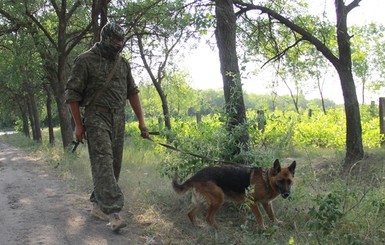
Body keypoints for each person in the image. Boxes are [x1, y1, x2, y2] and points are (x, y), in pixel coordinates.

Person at [65, 22, 149, 232]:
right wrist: (78, 125)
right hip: (95, 118)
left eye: (121, 41)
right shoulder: (84, 61)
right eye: (115, 41)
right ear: (105, 38)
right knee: (103, 162)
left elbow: (133, 92)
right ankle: (114, 213)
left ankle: (97, 205)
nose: (119, 45)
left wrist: (142, 122)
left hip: (118, 119)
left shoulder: (123, 64)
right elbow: (72, 95)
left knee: (113, 166)